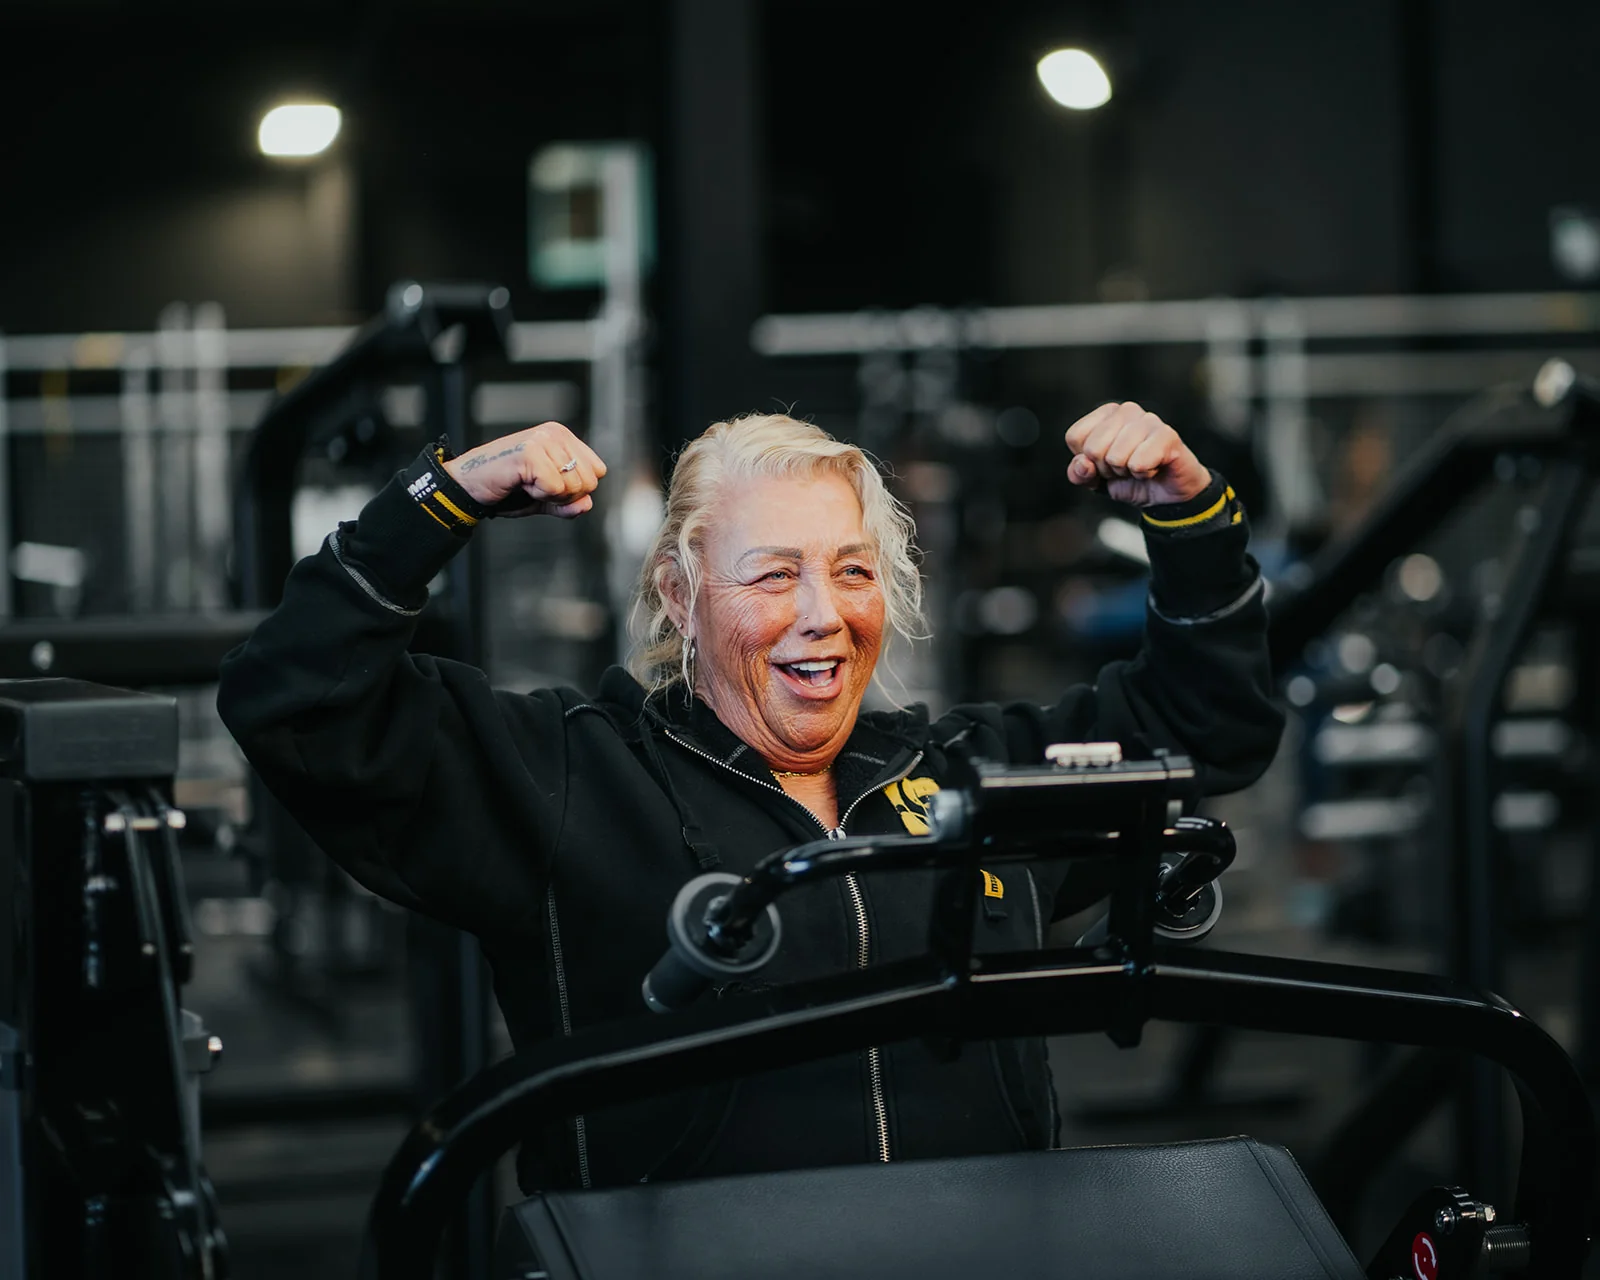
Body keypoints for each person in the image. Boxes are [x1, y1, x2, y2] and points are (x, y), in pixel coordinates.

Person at [217, 405, 1282, 1192]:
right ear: (680, 596)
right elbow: (296, 705)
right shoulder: (567, 775)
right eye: (774, 576)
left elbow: (1208, 727)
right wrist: (437, 500)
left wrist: (1190, 520)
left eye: (852, 571)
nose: (823, 614)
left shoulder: (969, 773)